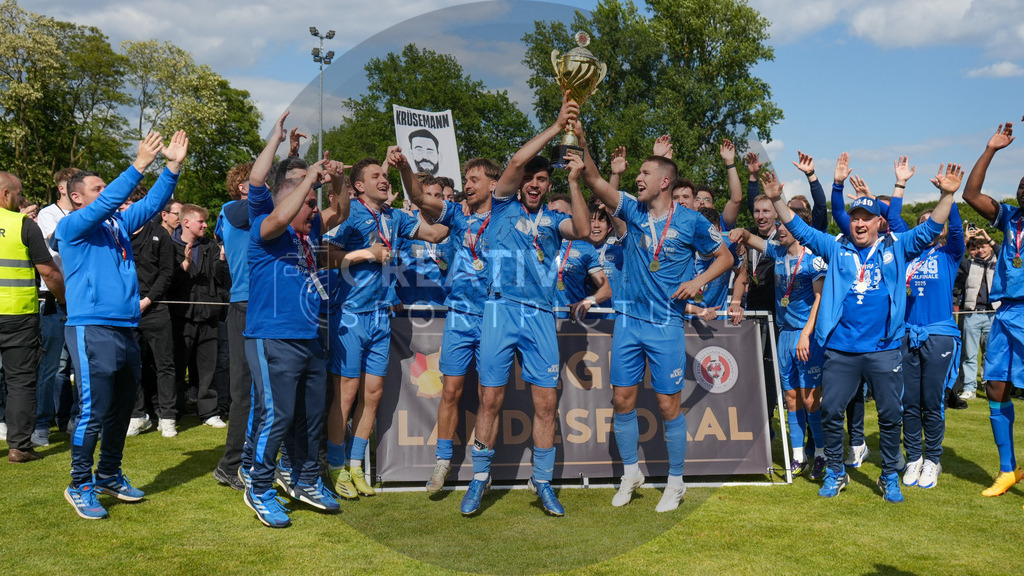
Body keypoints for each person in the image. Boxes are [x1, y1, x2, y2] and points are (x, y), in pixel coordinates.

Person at [759, 162, 959, 503]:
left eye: (867, 217)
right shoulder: (837, 248)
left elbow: (931, 230)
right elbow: (802, 231)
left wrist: (948, 195)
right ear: (850, 222)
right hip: (840, 348)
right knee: (832, 410)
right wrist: (778, 200)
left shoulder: (895, 247)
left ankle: (888, 476)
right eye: (855, 218)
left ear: (879, 222)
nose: (860, 223)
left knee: (890, 414)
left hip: (883, 348)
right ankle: (836, 472)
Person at [578, 124, 734, 513]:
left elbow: (727, 258)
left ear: (665, 182)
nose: (637, 178)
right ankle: (631, 473)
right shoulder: (631, 209)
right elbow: (595, 179)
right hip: (628, 318)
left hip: (665, 322)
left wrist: (696, 281)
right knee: (622, 400)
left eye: (645, 174)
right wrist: (582, 139)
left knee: (668, 407)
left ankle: (676, 482)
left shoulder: (692, 220)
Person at [460, 97, 591, 517]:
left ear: (547, 186)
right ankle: (480, 480)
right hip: (500, 310)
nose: (534, 183)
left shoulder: (554, 220)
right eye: (530, 179)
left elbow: (587, 230)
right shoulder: (501, 204)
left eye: (541, 180)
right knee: (491, 400)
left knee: (546, 404)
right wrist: (556, 127)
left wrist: (573, 181)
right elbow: (517, 159)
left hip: (539, 315)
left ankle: (544, 483)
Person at [57, 130, 188, 520]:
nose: (109, 193)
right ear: (76, 196)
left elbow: (151, 205)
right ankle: (80, 483)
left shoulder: (115, 226)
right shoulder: (73, 227)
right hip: (90, 328)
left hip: (125, 327)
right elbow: (115, 199)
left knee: (120, 411)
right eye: (98, 188)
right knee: (93, 411)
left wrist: (173, 167)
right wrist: (138, 164)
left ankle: (109, 474)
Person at [323, 152, 448, 500]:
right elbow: (324, 255)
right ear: (359, 185)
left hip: (381, 316)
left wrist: (471, 217)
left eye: (385, 174)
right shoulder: (350, 213)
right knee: (346, 395)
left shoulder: (395, 217)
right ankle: (335, 467)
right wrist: (366, 254)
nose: (384, 179)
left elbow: (435, 233)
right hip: (350, 314)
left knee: (372, 396)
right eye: (376, 175)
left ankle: (356, 466)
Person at [242, 158, 347, 528]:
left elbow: (342, 208)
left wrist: (339, 179)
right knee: (278, 415)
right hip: (272, 337)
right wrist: (310, 182)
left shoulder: (309, 234)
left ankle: (305, 480)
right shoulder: (265, 228)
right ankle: (259, 486)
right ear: (290, 202)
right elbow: (280, 215)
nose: (316, 211)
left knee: (311, 415)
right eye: (310, 204)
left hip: (310, 339)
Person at [405, 157, 500, 493]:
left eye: (474, 179)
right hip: (459, 315)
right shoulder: (457, 216)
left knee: (490, 398)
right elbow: (420, 200)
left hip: (492, 316)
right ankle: (442, 462)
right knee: (450, 391)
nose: (468, 184)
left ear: (493, 184)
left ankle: (482, 472)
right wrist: (404, 167)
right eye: (466, 179)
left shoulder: (505, 216)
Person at [730, 211, 827, 479]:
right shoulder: (777, 252)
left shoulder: (814, 259)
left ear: (799, 227)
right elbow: (751, 238)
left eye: (785, 225)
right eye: (779, 224)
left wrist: (807, 333)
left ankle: (820, 453)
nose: (779, 229)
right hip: (783, 334)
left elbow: (820, 299)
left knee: (810, 399)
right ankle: (797, 456)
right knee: (790, 397)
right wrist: (740, 232)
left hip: (806, 336)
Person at [960, 120, 1024, 497]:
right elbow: (971, 193)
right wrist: (991, 149)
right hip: (1005, 314)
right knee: (996, 387)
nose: (1022, 187)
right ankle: (1007, 469)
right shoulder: (1010, 217)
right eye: (1020, 183)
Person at [0, 171, 66, 462]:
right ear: (5, 195)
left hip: (19, 317)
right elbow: (49, 272)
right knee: (20, 382)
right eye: (18, 193)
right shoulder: (23, 225)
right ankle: (19, 446)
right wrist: (65, 300)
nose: (20, 198)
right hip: (19, 316)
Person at [211, 162, 253, 489]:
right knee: (243, 392)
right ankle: (230, 465)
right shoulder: (231, 210)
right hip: (244, 304)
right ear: (242, 186)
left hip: (266, 305)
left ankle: (252, 461)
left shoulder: (255, 211)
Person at [126, 186, 178, 438]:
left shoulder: (159, 234)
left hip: (156, 309)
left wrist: (147, 300)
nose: (122, 208)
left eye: (127, 204)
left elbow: (167, 272)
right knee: (131, 365)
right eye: (120, 204)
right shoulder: (118, 233)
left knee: (164, 364)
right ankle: (138, 415)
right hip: (125, 311)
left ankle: (167, 417)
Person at [33, 167, 80, 445]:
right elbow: (58, 245)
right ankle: (41, 423)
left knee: (77, 364)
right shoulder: (48, 215)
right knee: (52, 365)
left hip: (79, 299)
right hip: (54, 299)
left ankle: (71, 418)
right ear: (63, 188)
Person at [954, 231, 999, 400]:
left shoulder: (999, 263)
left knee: (991, 354)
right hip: (972, 313)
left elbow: (1004, 253)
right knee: (970, 354)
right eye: (977, 247)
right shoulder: (969, 264)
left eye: (983, 246)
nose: (980, 250)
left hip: (993, 313)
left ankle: (989, 386)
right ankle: (969, 388)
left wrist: (990, 238)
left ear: (990, 247)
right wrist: (965, 239)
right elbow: (957, 255)